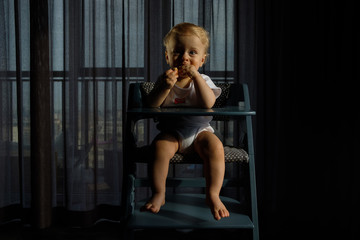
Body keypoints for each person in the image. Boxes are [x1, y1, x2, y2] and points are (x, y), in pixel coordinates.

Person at [141, 22, 229, 221]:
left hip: (200, 131)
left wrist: (196, 77)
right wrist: (164, 87)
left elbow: (209, 103)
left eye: (192, 52)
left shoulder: (204, 80)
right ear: (167, 57)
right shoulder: (165, 80)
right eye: (178, 52)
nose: (185, 58)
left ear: (202, 60)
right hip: (172, 132)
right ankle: (159, 193)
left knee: (216, 147)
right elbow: (152, 105)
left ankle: (213, 194)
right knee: (159, 147)